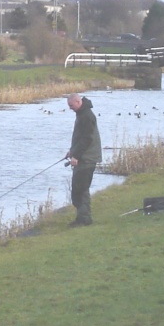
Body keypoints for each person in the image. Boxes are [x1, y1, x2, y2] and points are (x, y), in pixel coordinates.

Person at [65, 92, 102, 226]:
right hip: (83, 156)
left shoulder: (87, 116)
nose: (70, 108)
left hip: (87, 158)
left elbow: (87, 139)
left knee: (81, 189)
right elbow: (80, 138)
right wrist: (72, 151)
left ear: (78, 102)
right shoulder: (82, 113)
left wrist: (76, 156)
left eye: (71, 105)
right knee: (78, 189)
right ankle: (82, 218)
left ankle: (84, 219)